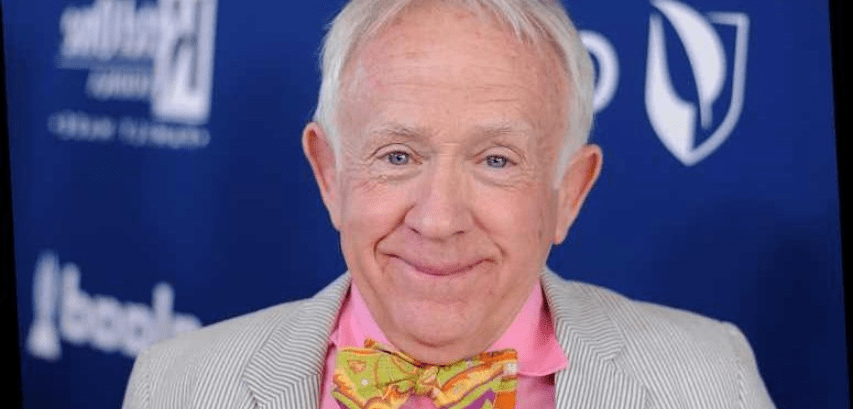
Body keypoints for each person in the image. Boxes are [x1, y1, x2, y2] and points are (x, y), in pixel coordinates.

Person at [122, 0, 776, 408]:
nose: (438, 221)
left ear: (569, 193)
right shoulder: (174, 386)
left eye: (496, 161)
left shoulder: (711, 379)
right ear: (329, 175)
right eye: (397, 156)